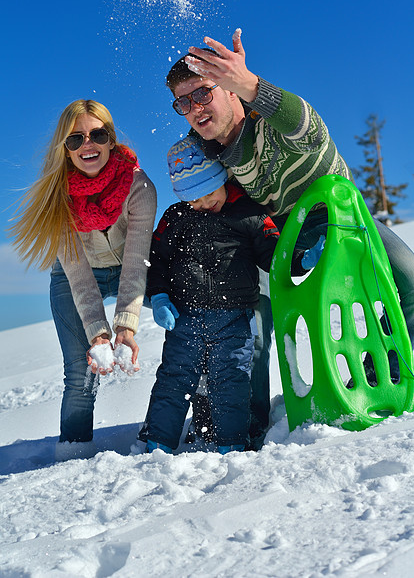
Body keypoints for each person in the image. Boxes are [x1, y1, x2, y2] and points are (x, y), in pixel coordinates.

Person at [166, 29, 414, 447]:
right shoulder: (204, 148)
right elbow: (187, 185)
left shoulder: (271, 123)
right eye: (183, 102)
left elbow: (307, 126)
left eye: (203, 93)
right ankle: (240, 422)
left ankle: (387, 374)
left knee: (407, 277)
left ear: (229, 90)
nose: (194, 109)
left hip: (342, 220)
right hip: (280, 238)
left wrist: (248, 83)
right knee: (250, 315)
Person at [138, 136, 321, 454]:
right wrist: (159, 296)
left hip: (235, 318)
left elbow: (272, 253)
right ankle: (157, 444)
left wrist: (300, 258)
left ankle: (232, 446)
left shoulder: (250, 213)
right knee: (173, 379)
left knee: (233, 381)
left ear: (221, 178)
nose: (204, 204)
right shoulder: (176, 218)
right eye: (194, 200)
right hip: (185, 316)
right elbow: (157, 261)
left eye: (208, 193)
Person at [9, 99, 157, 461]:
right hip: (75, 275)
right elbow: (77, 273)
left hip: (127, 267)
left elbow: (137, 261)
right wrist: (99, 334)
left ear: (110, 139)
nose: (87, 145)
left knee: (190, 323)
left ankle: (182, 420)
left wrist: (125, 326)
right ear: (65, 148)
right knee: (80, 373)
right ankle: (72, 457)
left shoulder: (139, 186)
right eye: (75, 139)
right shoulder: (56, 200)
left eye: (97, 134)